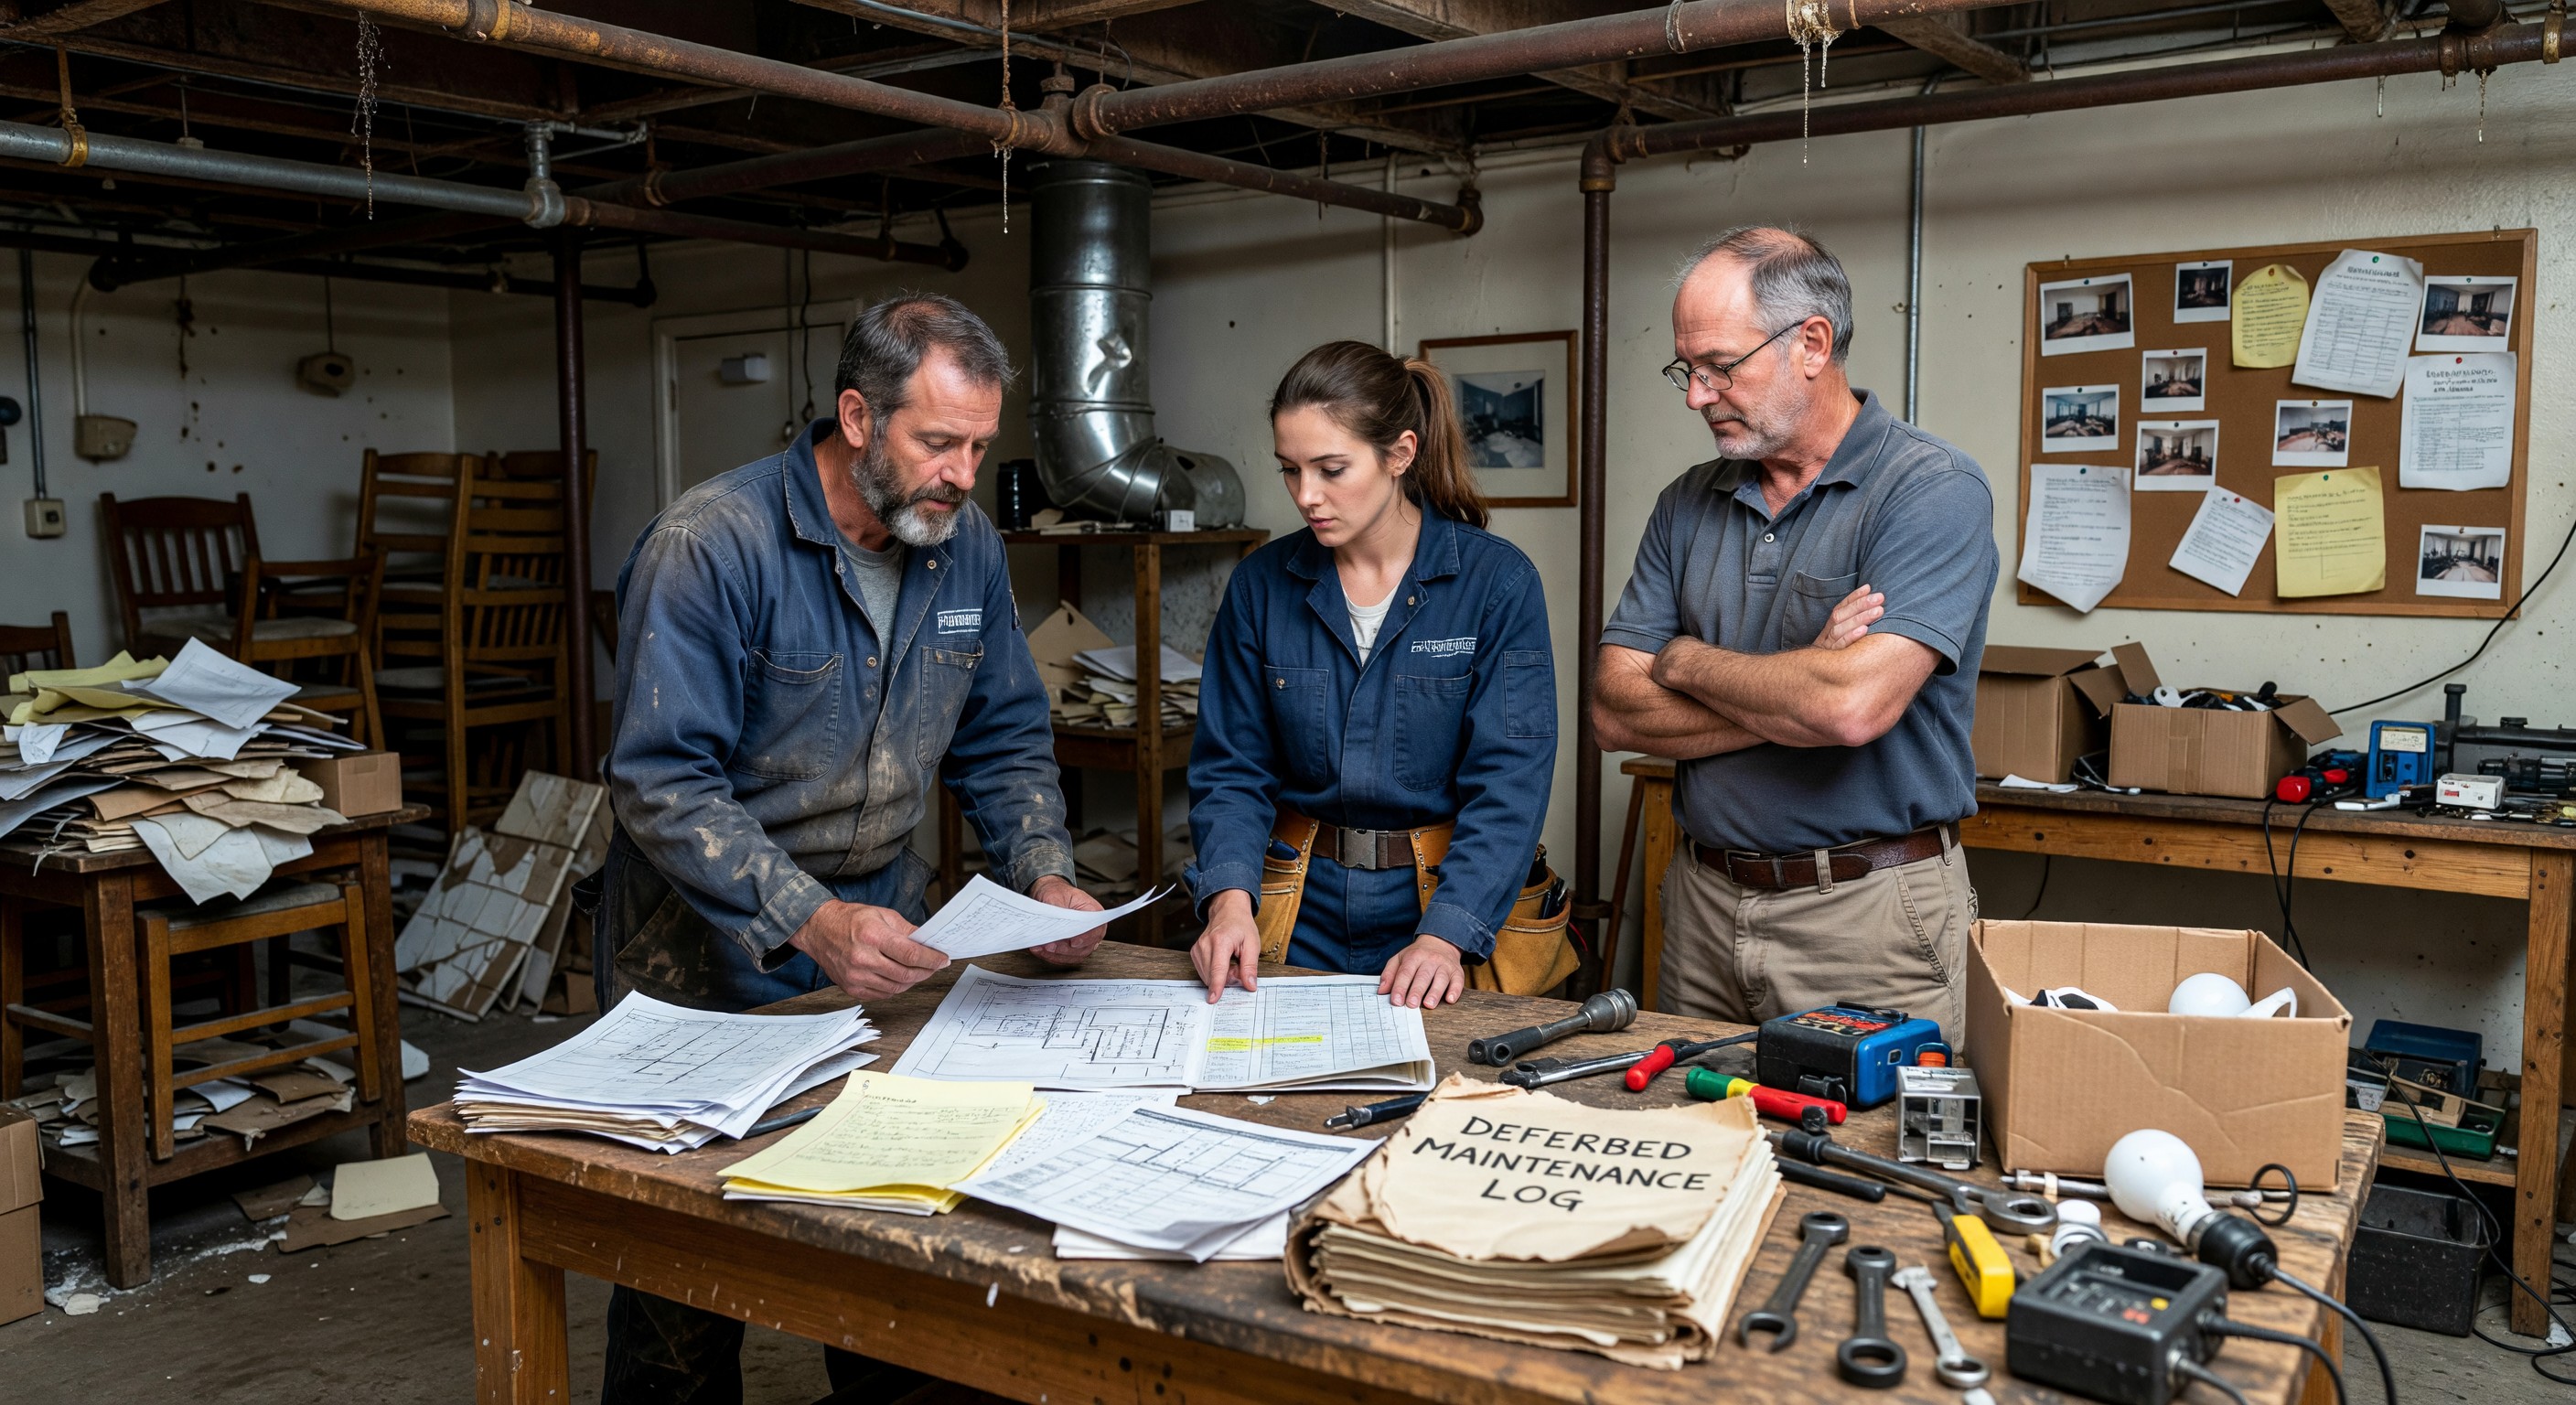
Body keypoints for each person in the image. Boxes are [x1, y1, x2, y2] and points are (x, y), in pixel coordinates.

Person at [595, 293, 1105, 1402]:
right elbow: (660, 782)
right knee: (686, 1274)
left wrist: (1046, 874)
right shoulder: (710, 544)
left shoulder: (960, 541)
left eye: (978, 447)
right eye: (938, 443)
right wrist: (808, 920)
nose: (963, 477)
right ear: (858, 417)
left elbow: (1007, 736)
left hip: (884, 929)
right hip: (705, 947)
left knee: (886, 1236)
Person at [1594, 227, 1998, 1040]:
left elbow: (1848, 712)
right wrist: (1804, 675)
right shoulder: (1686, 502)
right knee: (1690, 1145)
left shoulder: (1931, 490)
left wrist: (1684, 658)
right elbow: (1614, 713)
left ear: (1812, 343)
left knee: (1867, 1156)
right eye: (1687, 369)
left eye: (1719, 367)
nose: (1696, 395)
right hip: (1704, 906)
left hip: (1868, 916)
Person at [1186, 339, 1556, 1008]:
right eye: (1290, 471)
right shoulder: (1259, 587)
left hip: (1442, 905)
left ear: (1400, 454)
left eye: (1331, 469)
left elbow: (1510, 784)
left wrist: (1446, 936)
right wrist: (1228, 902)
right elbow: (1231, 769)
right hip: (1295, 908)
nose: (1306, 496)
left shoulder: (1497, 584)